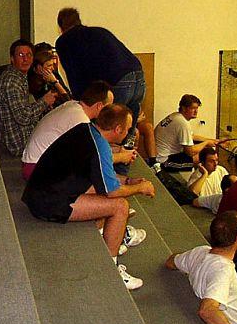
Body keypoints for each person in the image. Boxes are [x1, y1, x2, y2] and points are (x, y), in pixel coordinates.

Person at [23, 104, 155, 290]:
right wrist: (140, 187)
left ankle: (108, 233)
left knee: (105, 189)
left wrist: (129, 180)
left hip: (40, 192)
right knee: (120, 206)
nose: (128, 132)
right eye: (127, 128)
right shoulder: (99, 147)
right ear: (118, 129)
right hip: (48, 203)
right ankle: (112, 269)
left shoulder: (86, 130)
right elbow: (111, 192)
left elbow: (103, 177)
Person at [54, 8, 145, 128]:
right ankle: (128, 140)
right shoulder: (99, 32)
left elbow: (74, 75)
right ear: (78, 20)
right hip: (138, 74)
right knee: (127, 127)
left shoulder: (64, 41)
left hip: (117, 79)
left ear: (61, 26)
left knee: (108, 126)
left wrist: (82, 103)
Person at [21, 80, 114, 180]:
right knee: (88, 174)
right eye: (109, 107)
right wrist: (120, 156)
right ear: (99, 106)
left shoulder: (72, 105)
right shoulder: (81, 120)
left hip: (31, 163)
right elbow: (93, 157)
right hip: (36, 168)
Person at [0, 39, 55, 157]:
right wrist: (44, 102)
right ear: (12, 58)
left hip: (19, 135)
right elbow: (23, 117)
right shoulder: (11, 82)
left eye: (29, 55)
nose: (25, 59)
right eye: (21, 55)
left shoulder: (18, 75)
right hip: (18, 143)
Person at [153, 95, 219, 171]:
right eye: (193, 108)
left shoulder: (176, 116)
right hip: (164, 161)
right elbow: (190, 152)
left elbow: (191, 136)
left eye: (197, 108)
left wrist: (212, 140)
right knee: (200, 157)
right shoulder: (182, 123)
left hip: (161, 154)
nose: (196, 111)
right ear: (184, 108)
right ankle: (202, 176)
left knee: (202, 147)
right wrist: (206, 143)